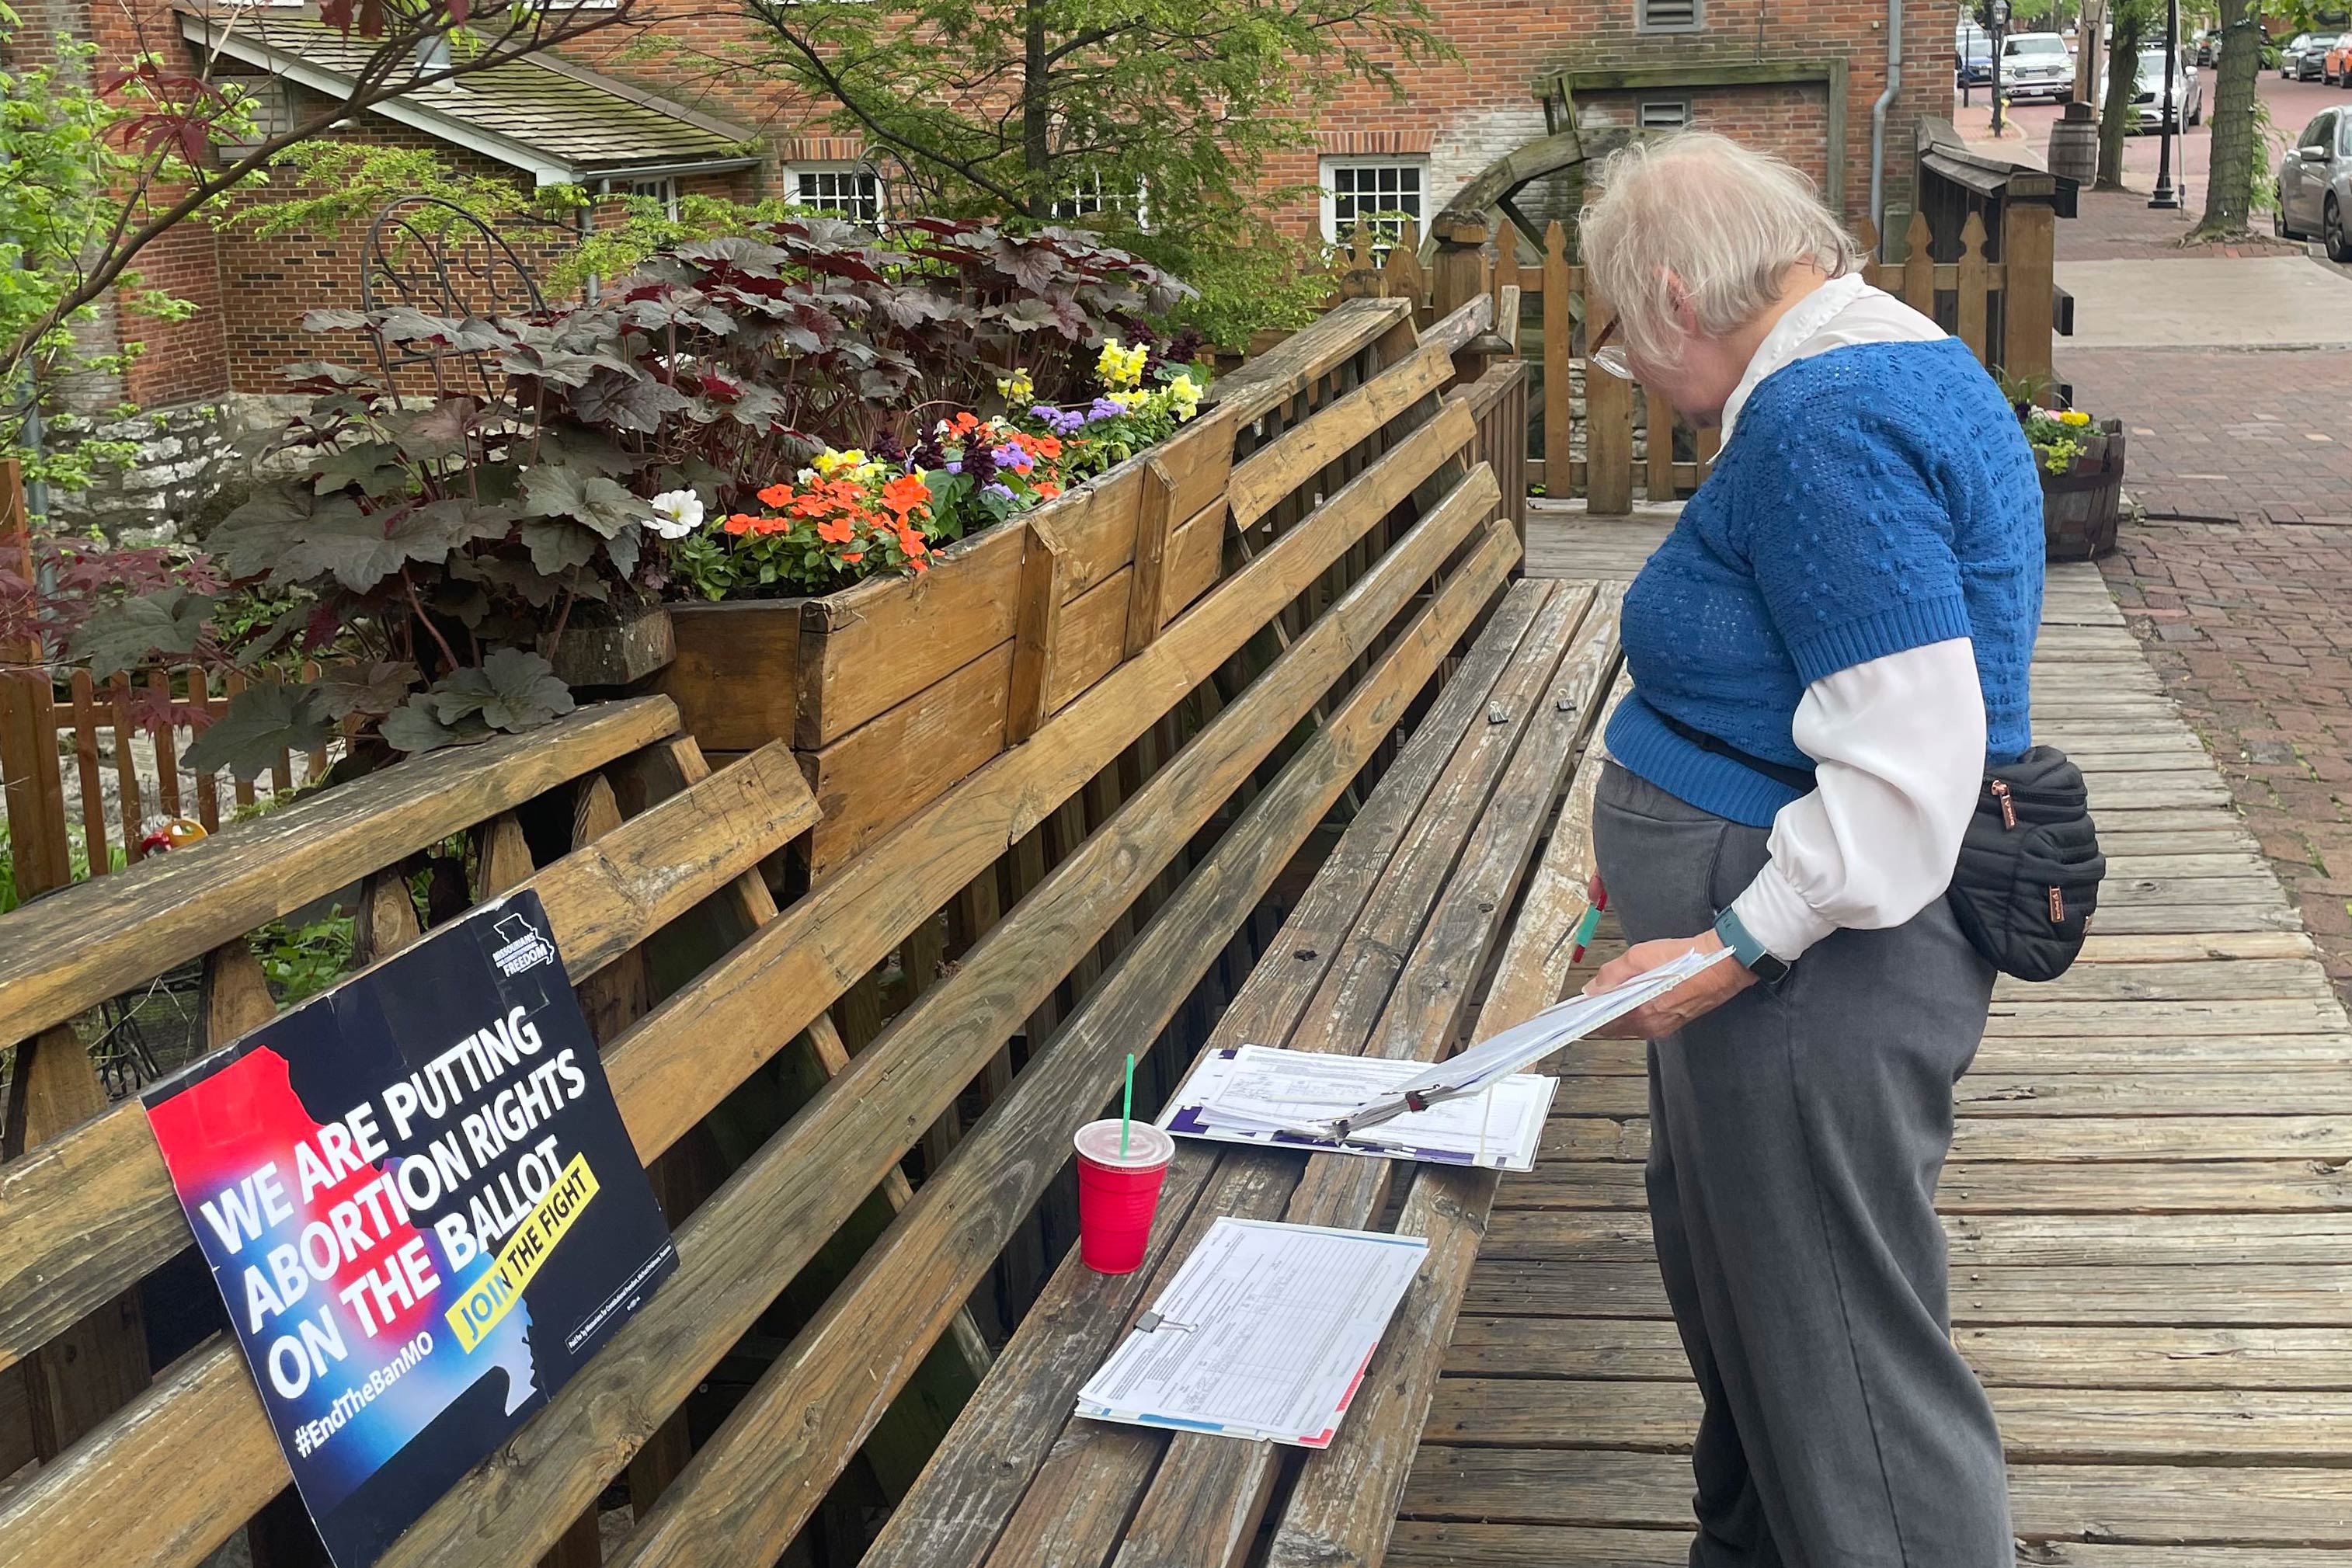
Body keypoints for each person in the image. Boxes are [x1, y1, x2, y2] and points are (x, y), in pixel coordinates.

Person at [1574, 132, 2042, 1567]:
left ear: (1669, 298)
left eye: (1615, 337)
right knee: (1770, 1331)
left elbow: (1905, 763)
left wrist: (1729, 947)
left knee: (1845, 1372)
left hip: (1812, 980)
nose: (1624, 369)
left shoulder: (1821, 427)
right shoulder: (1878, 365)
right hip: (1781, 949)